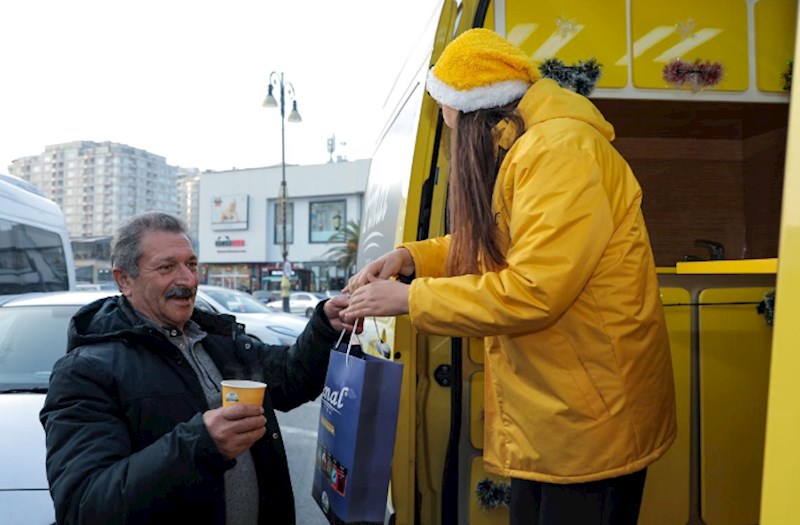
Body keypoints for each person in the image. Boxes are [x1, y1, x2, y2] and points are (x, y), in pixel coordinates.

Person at [342, 28, 676, 525]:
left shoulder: (558, 151)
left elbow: (534, 291)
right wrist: (413, 259)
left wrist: (412, 300)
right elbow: (503, 242)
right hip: (558, 415)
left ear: (475, 109)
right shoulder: (529, 147)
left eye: (449, 117)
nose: (450, 131)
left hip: (587, 422)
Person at [40, 211, 353, 525]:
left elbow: (290, 379)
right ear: (124, 279)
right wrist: (202, 444)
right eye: (166, 267)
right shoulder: (85, 371)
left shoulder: (218, 340)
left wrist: (325, 326)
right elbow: (84, 505)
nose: (188, 280)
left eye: (191, 264)